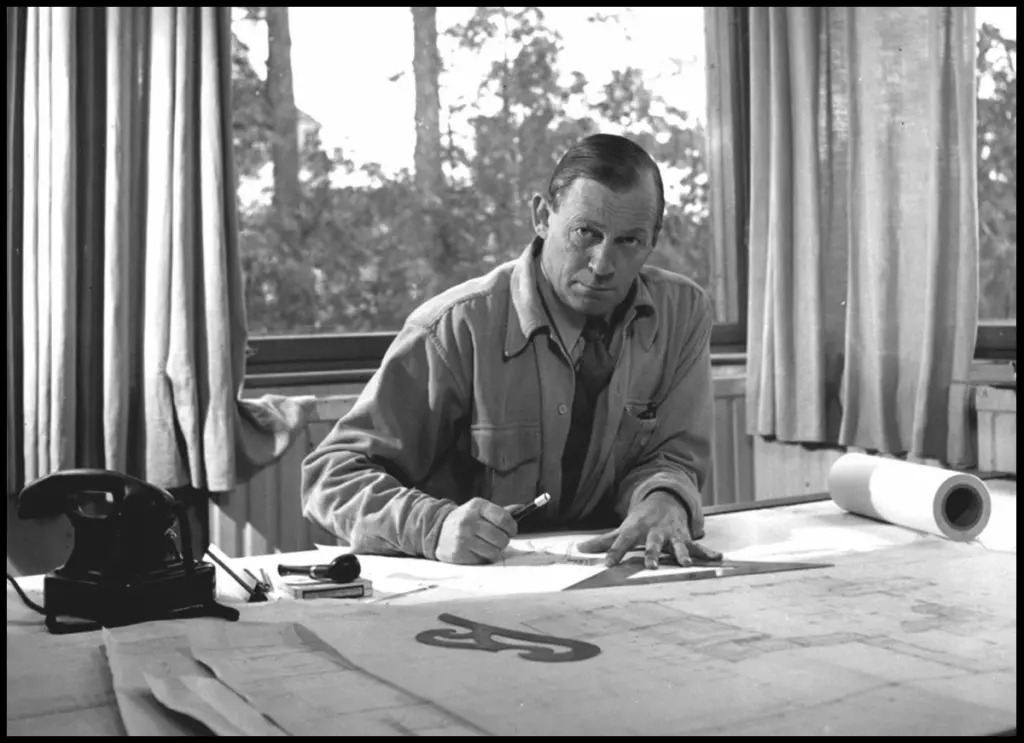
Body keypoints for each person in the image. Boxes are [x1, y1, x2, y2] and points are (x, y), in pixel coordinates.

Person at [302, 133, 722, 571]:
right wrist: (433, 527)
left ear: (653, 239)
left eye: (629, 241)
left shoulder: (682, 315)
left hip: (614, 580)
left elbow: (673, 458)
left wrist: (664, 498)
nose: (602, 265)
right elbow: (331, 475)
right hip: (466, 595)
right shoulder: (455, 328)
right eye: (586, 233)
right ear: (542, 216)